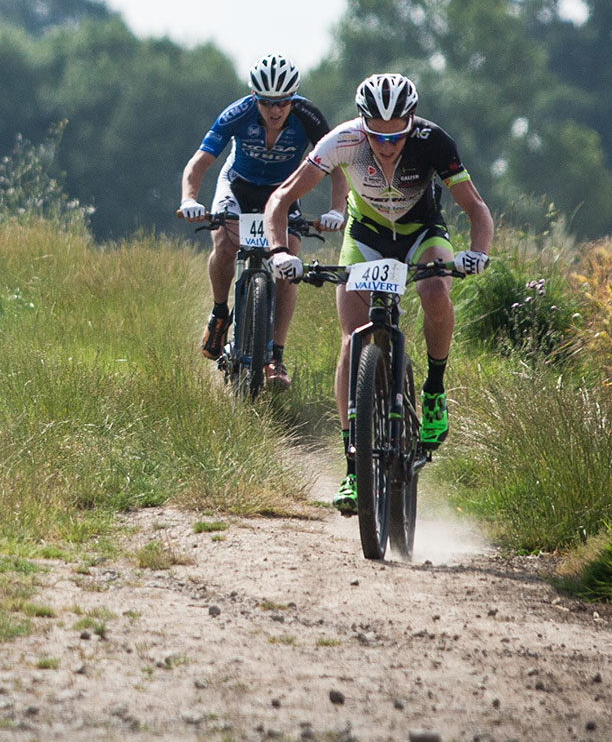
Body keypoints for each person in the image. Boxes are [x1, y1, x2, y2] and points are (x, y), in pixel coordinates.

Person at [264, 72, 494, 515]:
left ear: (411, 122)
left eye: (397, 136)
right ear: (362, 124)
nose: (387, 145)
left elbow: (476, 208)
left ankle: (433, 391)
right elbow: (281, 199)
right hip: (366, 237)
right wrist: (278, 253)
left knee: (432, 290)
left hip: (421, 232)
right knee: (353, 342)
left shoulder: (434, 141)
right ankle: (353, 467)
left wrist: (477, 253)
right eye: (377, 136)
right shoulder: (342, 141)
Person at [175, 54, 335, 391]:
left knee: (289, 257)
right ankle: (220, 314)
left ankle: (276, 355)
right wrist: (190, 199)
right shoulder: (237, 114)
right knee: (224, 241)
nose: (275, 111)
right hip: (238, 185)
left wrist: (337, 211)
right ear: (253, 98)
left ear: (293, 99)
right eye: (266, 103)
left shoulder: (308, 117)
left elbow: (338, 167)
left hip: (282, 193)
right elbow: (199, 163)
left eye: (282, 103)